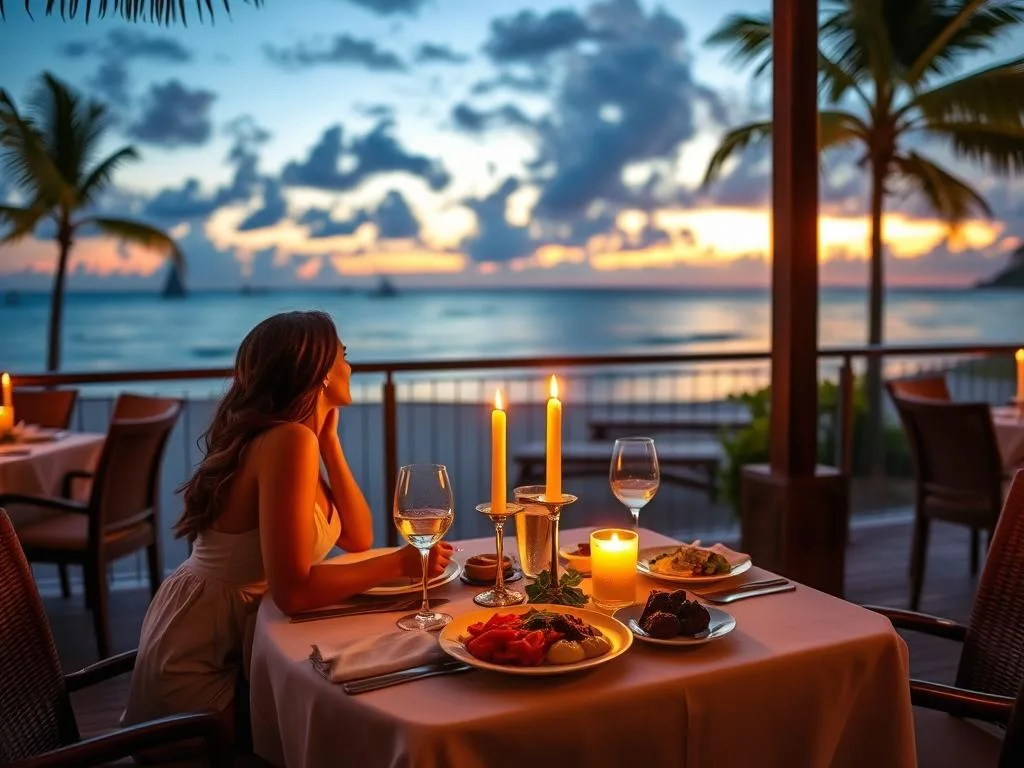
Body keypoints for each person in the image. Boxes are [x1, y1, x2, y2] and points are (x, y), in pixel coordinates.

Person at [121, 310, 453, 747]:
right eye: (344, 356)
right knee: (359, 727)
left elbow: (357, 536)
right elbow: (293, 590)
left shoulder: (295, 438)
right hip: (199, 676)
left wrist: (329, 441)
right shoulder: (287, 442)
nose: (351, 367)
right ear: (318, 373)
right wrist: (402, 562)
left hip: (227, 643)